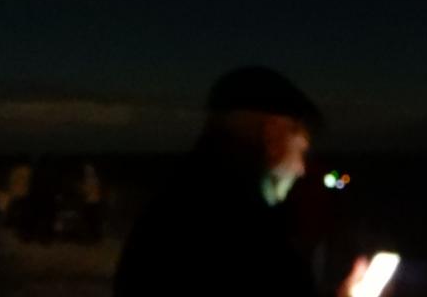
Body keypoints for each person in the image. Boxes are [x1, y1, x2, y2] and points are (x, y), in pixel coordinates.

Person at [114, 66, 365, 297]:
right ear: (272, 134)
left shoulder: (171, 205)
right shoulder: (245, 231)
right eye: (301, 150)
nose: (301, 170)